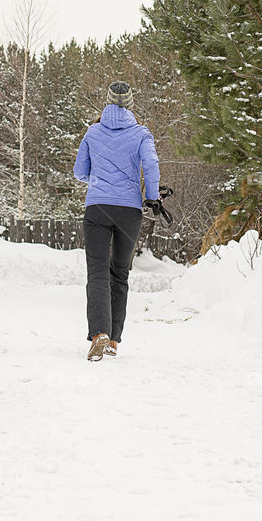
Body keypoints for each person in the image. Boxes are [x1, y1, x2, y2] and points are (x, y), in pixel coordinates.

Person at [73, 81, 160, 361]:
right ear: (130, 104)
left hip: (98, 207)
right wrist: (153, 196)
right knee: (120, 273)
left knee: (98, 272)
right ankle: (112, 341)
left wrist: (100, 181)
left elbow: (79, 172)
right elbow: (151, 165)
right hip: (129, 210)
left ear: (108, 101)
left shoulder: (93, 132)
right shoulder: (141, 133)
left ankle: (98, 333)